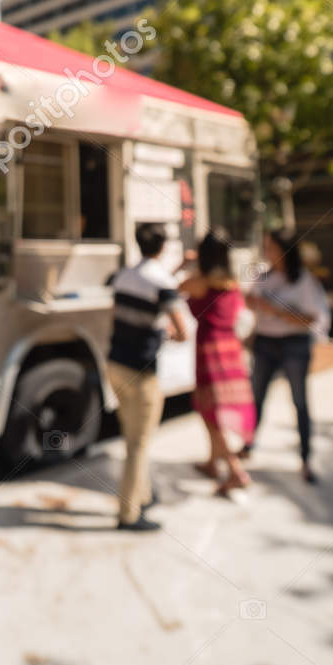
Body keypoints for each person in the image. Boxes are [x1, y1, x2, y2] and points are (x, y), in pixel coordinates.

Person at [105, 222, 189, 531]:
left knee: (131, 436)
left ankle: (144, 494)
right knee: (138, 445)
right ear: (163, 246)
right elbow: (182, 331)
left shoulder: (123, 275)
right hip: (142, 372)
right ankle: (129, 514)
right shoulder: (162, 282)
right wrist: (164, 333)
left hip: (115, 366)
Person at [246, 230, 330, 484]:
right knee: (256, 398)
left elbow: (311, 319)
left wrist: (275, 310)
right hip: (265, 343)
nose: (266, 252)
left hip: (294, 345)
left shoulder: (303, 280)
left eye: (271, 247)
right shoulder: (263, 277)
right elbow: (253, 306)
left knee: (299, 401)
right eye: (265, 247)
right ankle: (248, 445)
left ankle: (306, 459)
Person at [179, 230, 255, 494]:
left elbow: (171, 289)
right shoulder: (233, 282)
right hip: (231, 351)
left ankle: (235, 471)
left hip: (210, 352)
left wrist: (183, 264)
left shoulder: (199, 282)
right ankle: (213, 463)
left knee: (211, 413)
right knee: (212, 411)